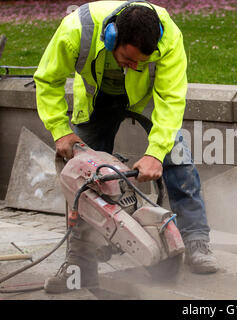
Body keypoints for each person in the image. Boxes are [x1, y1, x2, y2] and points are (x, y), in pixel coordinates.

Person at [34, 1, 218, 294]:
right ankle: (80, 264)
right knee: (80, 177)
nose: (133, 66)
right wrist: (60, 131)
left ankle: (196, 239)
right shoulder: (75, 31)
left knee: (178, 156)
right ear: (110, 37)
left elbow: (171, 100)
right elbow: (47, 79)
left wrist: (156, 153)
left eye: (140, 62)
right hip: (96, 98)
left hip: (144, 96)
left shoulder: (168, 37)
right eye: (127, 58)